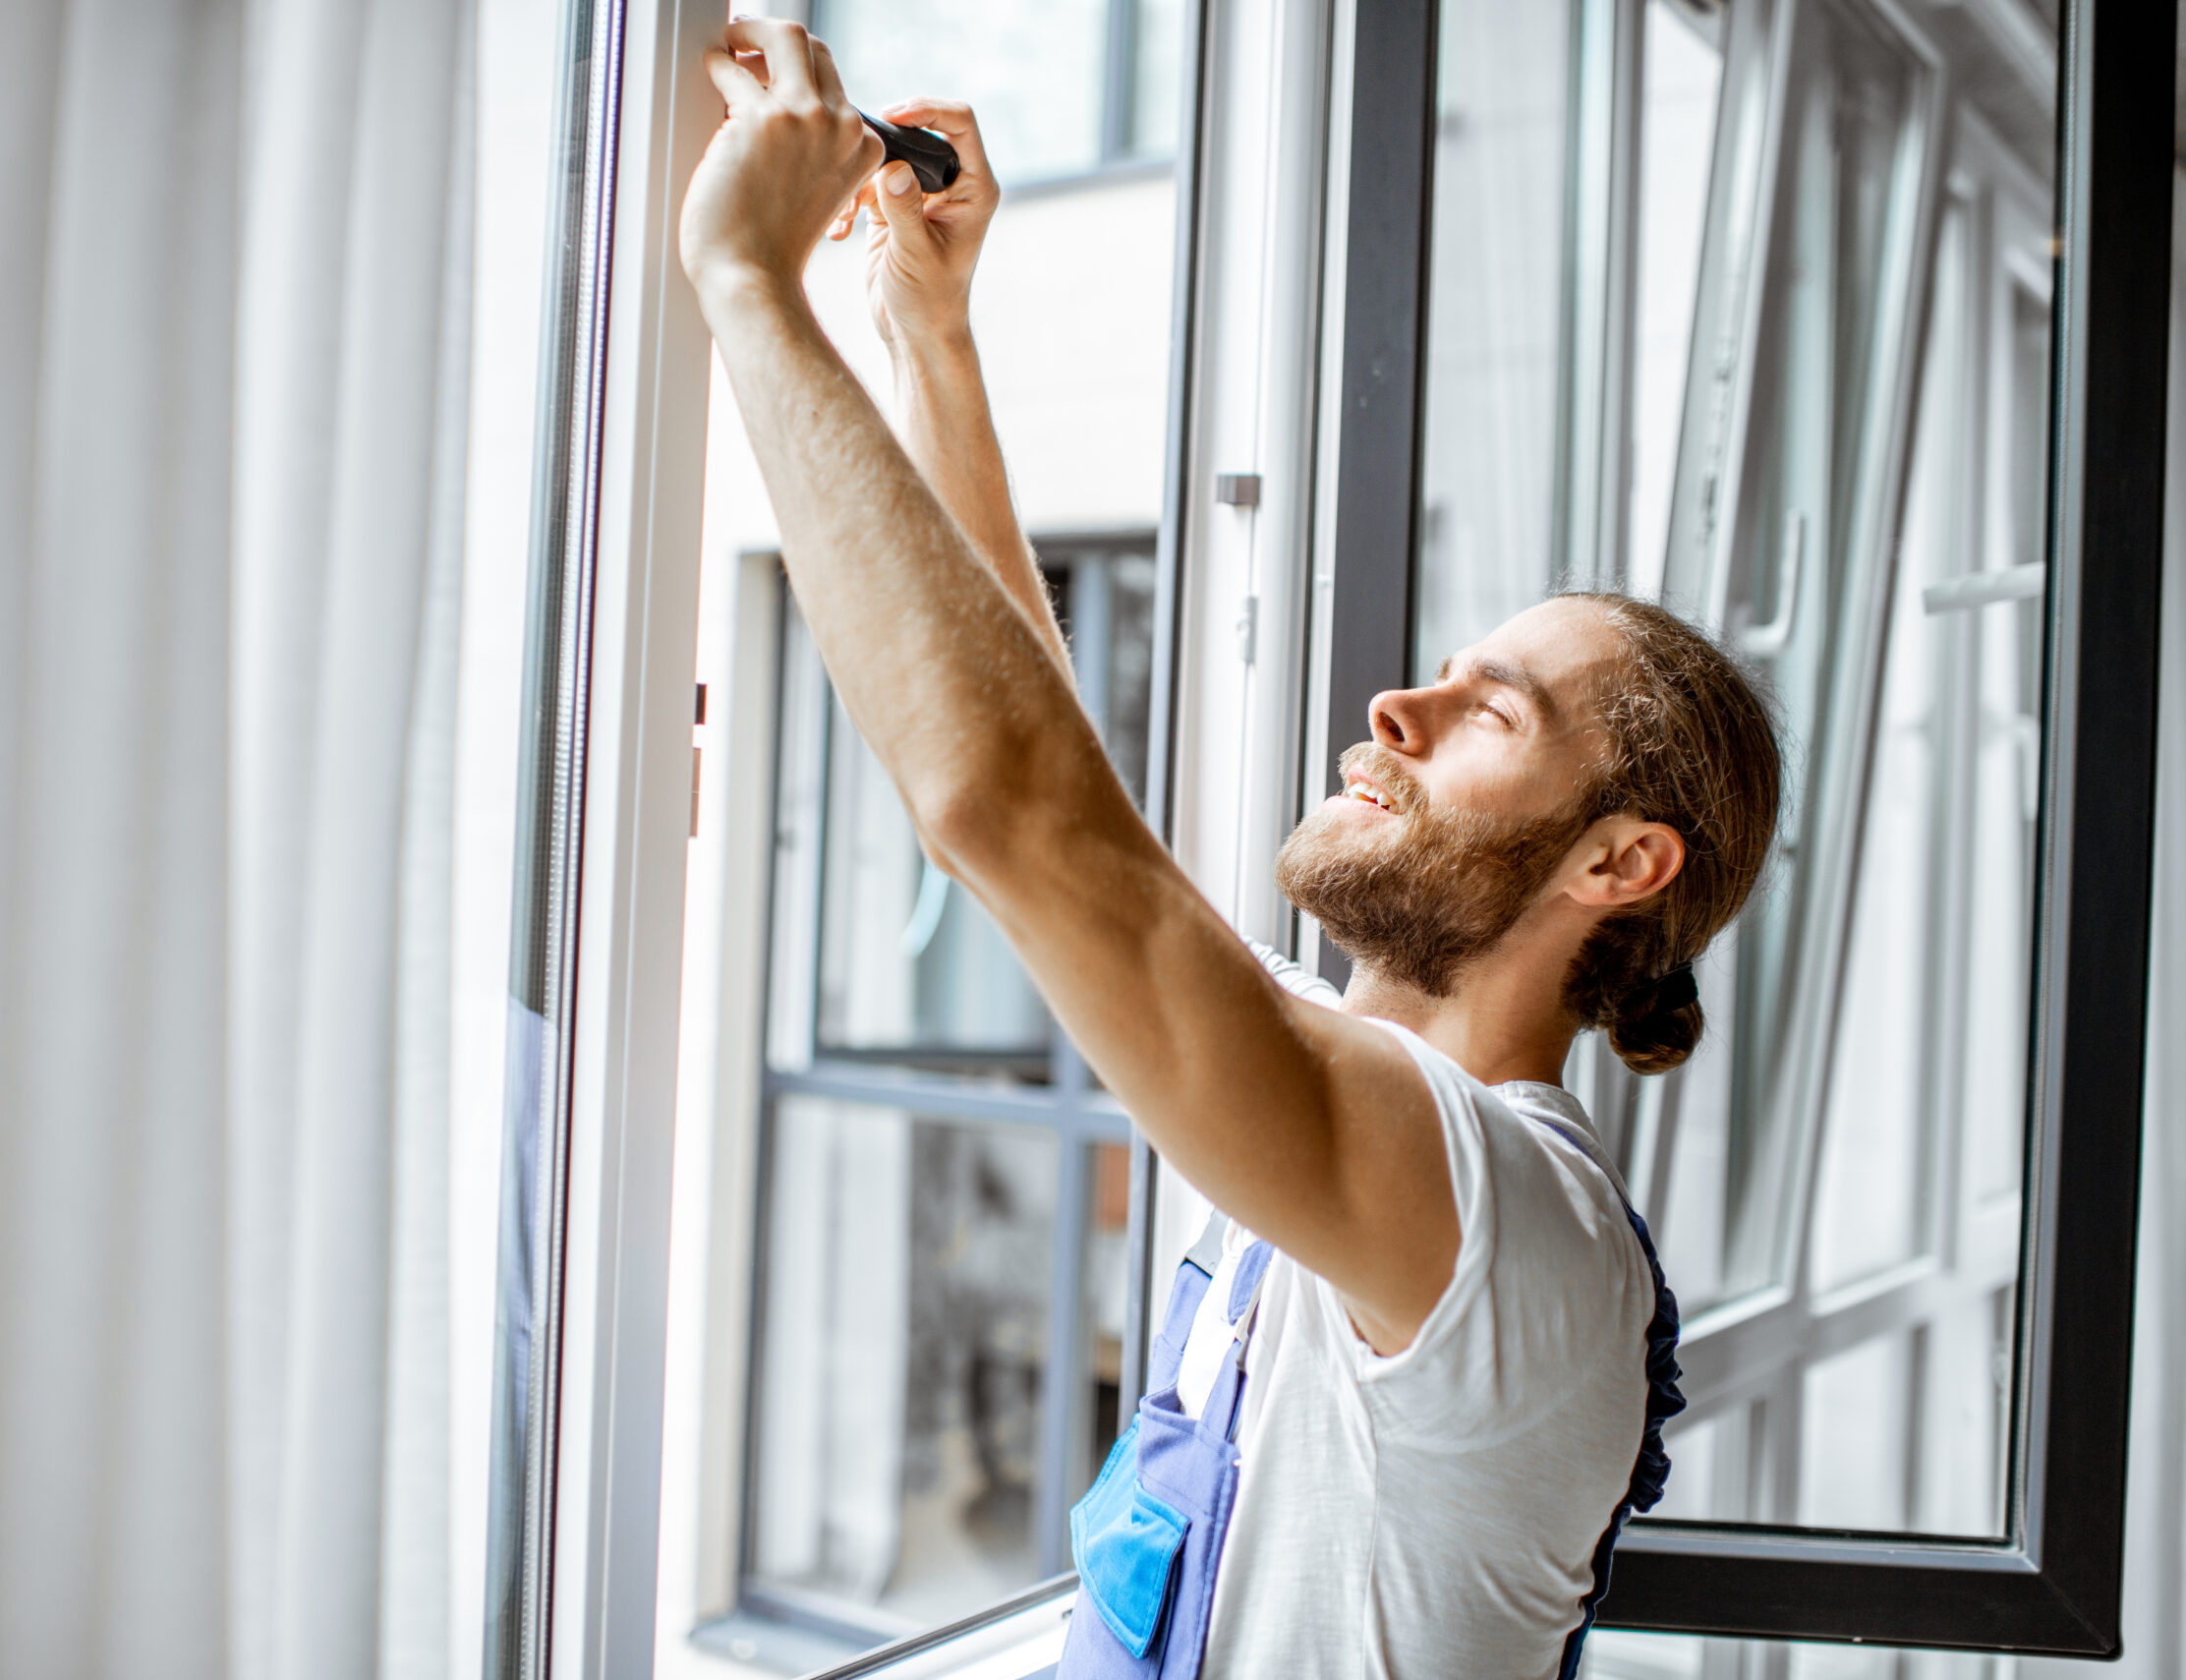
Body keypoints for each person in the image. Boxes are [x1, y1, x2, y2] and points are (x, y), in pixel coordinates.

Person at [678, 21, 1783, 1679]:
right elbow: (1054, 782)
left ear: (1620, 861)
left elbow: (1021, 815)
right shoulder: (1325, 1109)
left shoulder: (1506, 1229)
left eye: (1492, 711)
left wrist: (749, 285)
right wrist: (929, 328)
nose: (1395, 703)